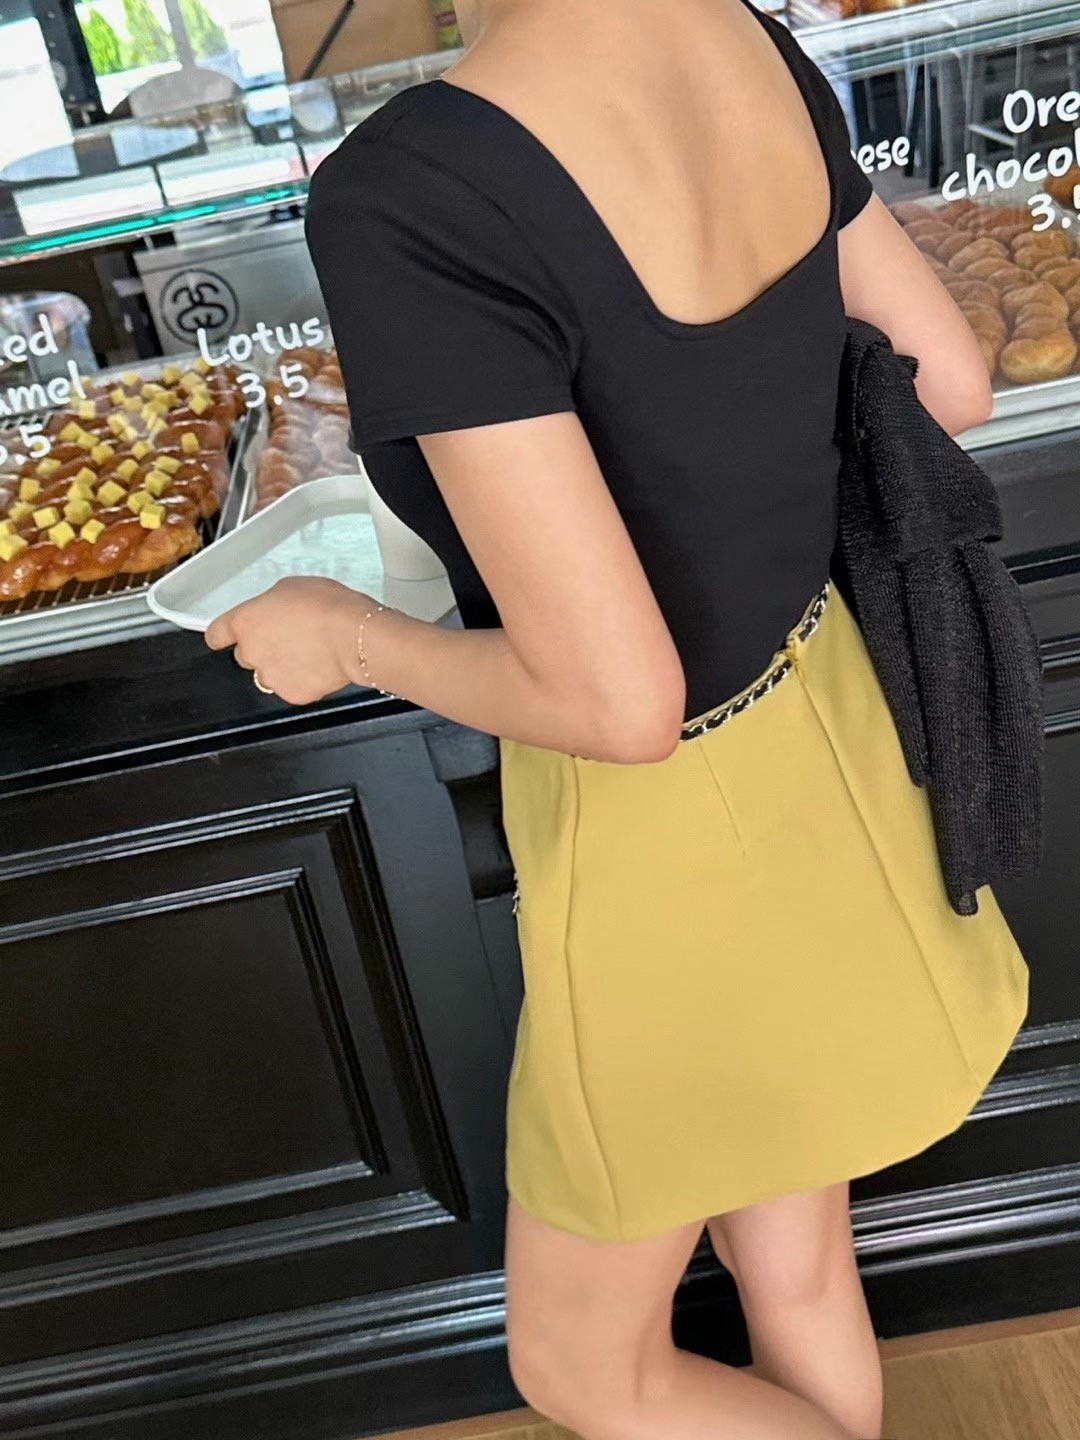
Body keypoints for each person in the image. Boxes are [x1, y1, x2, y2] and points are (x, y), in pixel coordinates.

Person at [204, 0, 1031, 1435]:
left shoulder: (413, 185)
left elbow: (619, 700)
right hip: (831, 717)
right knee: (794, 1267)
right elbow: (945, 380)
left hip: (665, 844)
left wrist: (345, 635)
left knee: (584, 1365)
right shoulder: (740, 34)